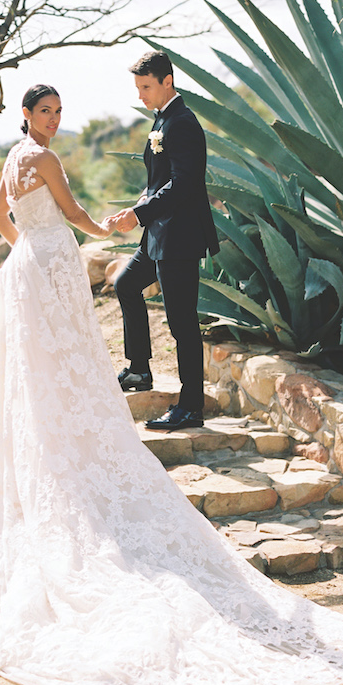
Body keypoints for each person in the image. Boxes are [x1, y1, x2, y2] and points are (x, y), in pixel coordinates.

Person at [0, 83, 343, 685]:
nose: (54, 120)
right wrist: (95, 231)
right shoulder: (46, 160)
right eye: (46, 112)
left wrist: (29, 248)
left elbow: (2, 218)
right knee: (68, 365)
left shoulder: (10, 157)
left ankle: (57, 447)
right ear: (26, 115)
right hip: (52, 265)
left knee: (38, 371)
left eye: (59, 111)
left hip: (24, 270)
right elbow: (76, 214)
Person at [110, 51, 219, 431]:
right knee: (126, 285)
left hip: (180, 237)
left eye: (146, 86)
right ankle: (139, 369)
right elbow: (161, 179)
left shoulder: (182, 123)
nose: (141, 94)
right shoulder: (163, 120)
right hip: (158, 232)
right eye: (138, 87)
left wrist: (140, 214)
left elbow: (185, 182)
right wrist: (140, 204)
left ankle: (191, 407)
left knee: (182, 323)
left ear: (166, 82)